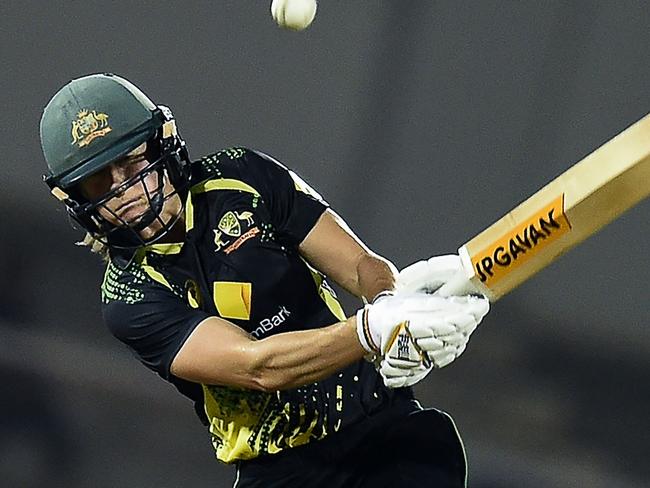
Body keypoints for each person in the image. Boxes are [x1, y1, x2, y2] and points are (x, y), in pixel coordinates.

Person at [40, 73, 489, 487]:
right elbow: (257, 368)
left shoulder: (242, 175)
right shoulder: (129, 297)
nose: (126, 191)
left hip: (384, 433)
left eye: (132, 161)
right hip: (282, 473)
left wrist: (397, 308)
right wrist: (373, 330)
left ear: (162, 145)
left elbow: (359, 266)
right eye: (99, 181)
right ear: (78, 199)